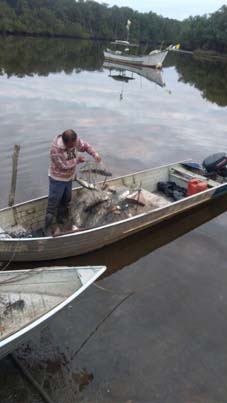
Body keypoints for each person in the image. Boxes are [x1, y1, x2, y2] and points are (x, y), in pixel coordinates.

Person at [45, 129, 101, 234]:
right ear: (65, 143)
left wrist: (95, 154)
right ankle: (47, 227)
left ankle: (61, 219)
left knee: (66, 199)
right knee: (53, 203)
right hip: (57, 179)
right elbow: (63, 166)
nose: (74, 146)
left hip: (69, 178)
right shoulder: (55, 150)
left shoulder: (74, 141)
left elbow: (85, 146)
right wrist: (77, 160)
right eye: (71, 145)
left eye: (74, 144)